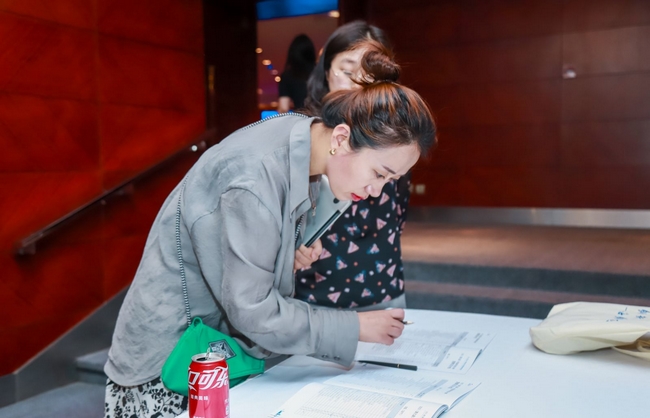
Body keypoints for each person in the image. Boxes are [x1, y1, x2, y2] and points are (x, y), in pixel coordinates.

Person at [103, 50, 436, 418]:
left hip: (213, 348)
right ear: (342, 138)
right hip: (171, 363)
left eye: (390, 180)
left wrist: (284, 253)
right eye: (379, 174)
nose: (376, 191)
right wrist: (353, 327)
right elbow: (254, 310)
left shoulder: (302, 139)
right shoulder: (255, 175)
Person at [296, 21, 414, 310]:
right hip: (316, 296)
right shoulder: (302, 134)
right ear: (327, 70)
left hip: (383, 286)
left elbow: (399, 210)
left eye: (370, 77)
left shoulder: (397, 135)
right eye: (348, 72)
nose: (357, 86)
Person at [277, 34, 316, 113]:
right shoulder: (320, 71)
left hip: (302, 117)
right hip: (323, 117)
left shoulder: (287, 76)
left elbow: (283, 108)